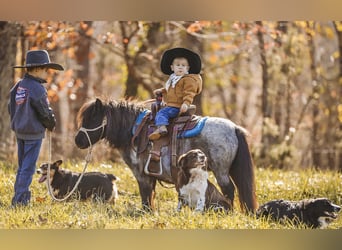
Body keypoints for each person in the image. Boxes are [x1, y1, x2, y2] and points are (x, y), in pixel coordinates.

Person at [8, 49, 64, 207]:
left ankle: (17, 196)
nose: (47, 73)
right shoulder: (38, 89)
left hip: (20, 132)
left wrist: (18, 119)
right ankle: (21, 201)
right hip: (33, 134)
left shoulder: (19, 86)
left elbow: (9, 106)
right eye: (46, 70)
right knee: (28, 168)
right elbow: (44, 112)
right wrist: (51, 123)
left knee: (22, 166)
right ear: (38, 69)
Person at [149, 47, 202, 140]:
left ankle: (161, 128)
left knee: (161, 113)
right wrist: (162, 91)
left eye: (183, 65)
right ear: (172, 68)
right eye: (178, 65)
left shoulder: (188, 80)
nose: (180, 67)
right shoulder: (173, 79)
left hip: (177, 107)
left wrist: (186, 103)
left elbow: (189, 93)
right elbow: (170, 91)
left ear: (188, 68)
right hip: (172, 105)